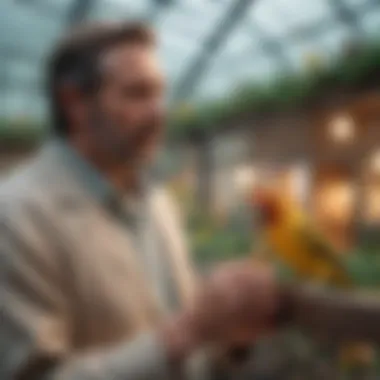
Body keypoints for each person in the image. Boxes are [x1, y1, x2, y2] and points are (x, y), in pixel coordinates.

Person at [0, 22, 283, 380]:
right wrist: (188, 332)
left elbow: (186, 350)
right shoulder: (16, 216)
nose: (158, 113)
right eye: (137, 94)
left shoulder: (157, 202)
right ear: (74, 104)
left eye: (159, 94)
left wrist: (228, 335)